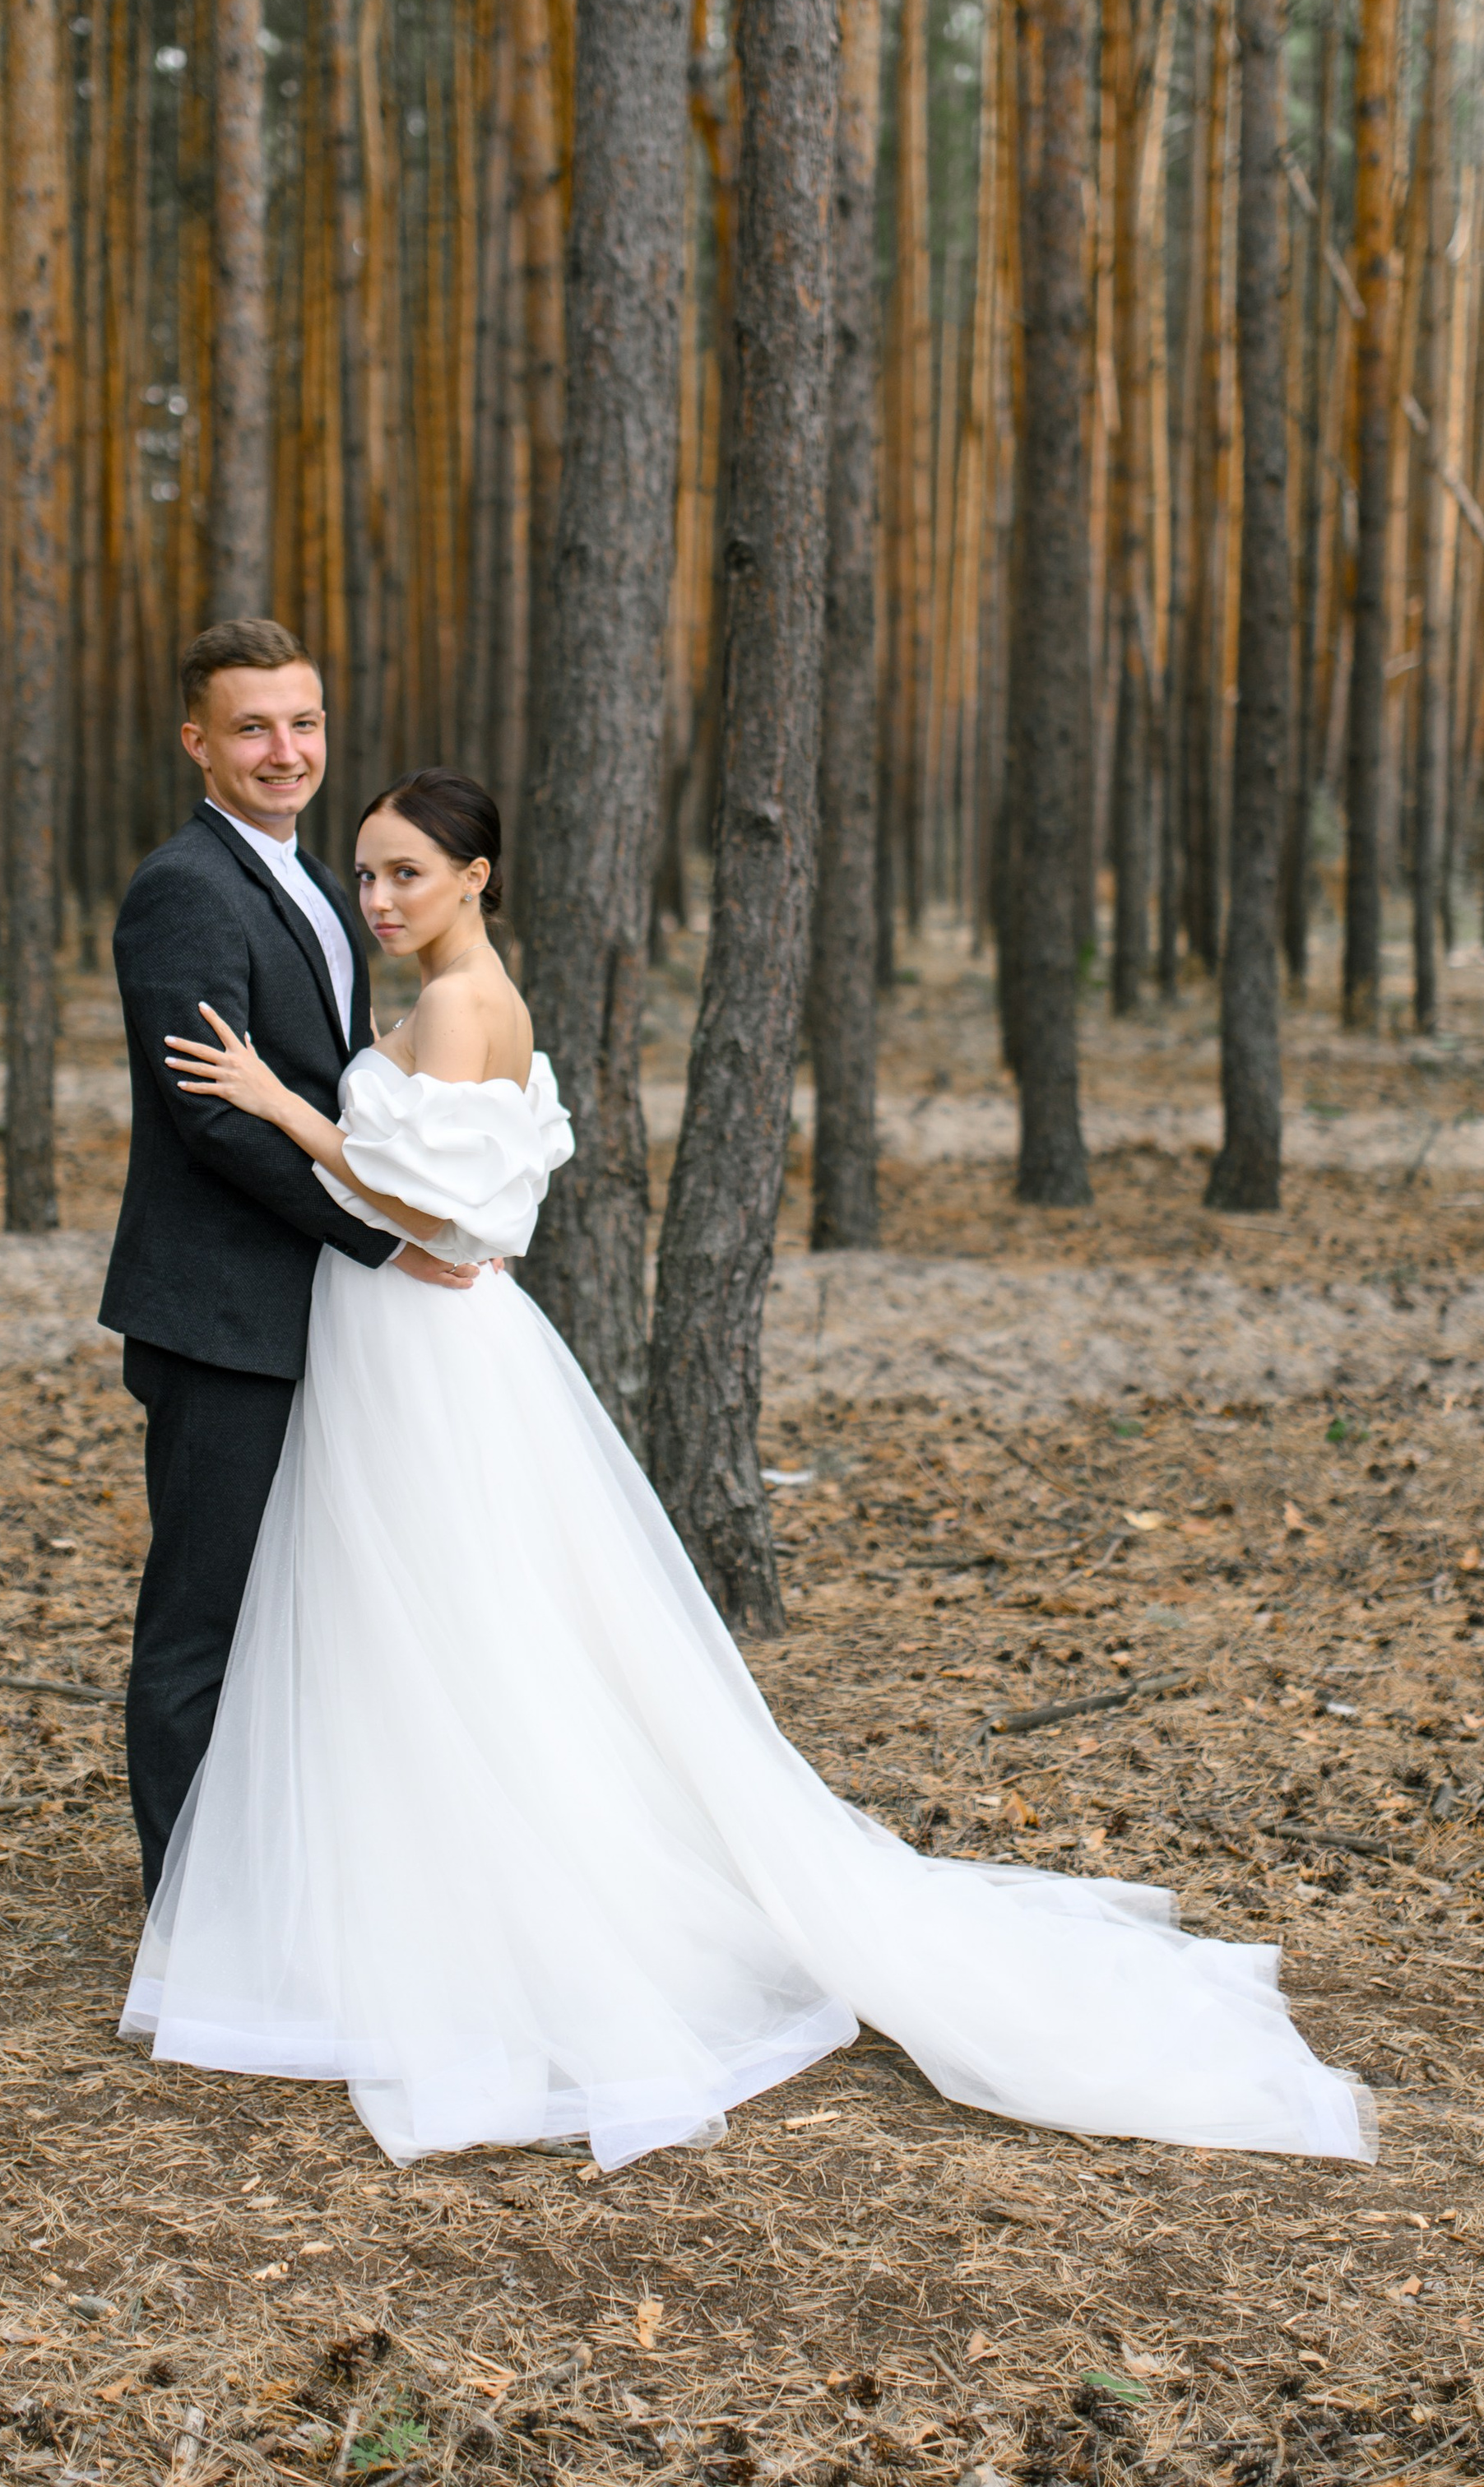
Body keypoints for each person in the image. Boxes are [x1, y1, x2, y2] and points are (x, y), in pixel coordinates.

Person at [121, 761, 1373, 2174]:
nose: (380, 895)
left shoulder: (470, 1005)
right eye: (367, 873)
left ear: (477, 877)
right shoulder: (433, 1000)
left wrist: (285, 1109)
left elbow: (461, 1212)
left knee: (461, 1625)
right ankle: (381, 1896)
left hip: (424, 1344)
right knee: (399, 1624)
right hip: (384, 1336)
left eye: (408, 870)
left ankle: (506, 1911)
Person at [100, 624, 481, 1901]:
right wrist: (381, 1235)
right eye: (253, 727)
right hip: (223, 1314)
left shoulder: (318, 881)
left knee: (302, 1617)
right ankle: (187, 1919)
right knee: (204, 1623)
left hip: (310, 1305)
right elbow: (213, 1119)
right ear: (197, 740)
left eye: (304, 723)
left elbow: (326, 1078)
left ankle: (277, 1892)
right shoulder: (184, 890)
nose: (285, 751)